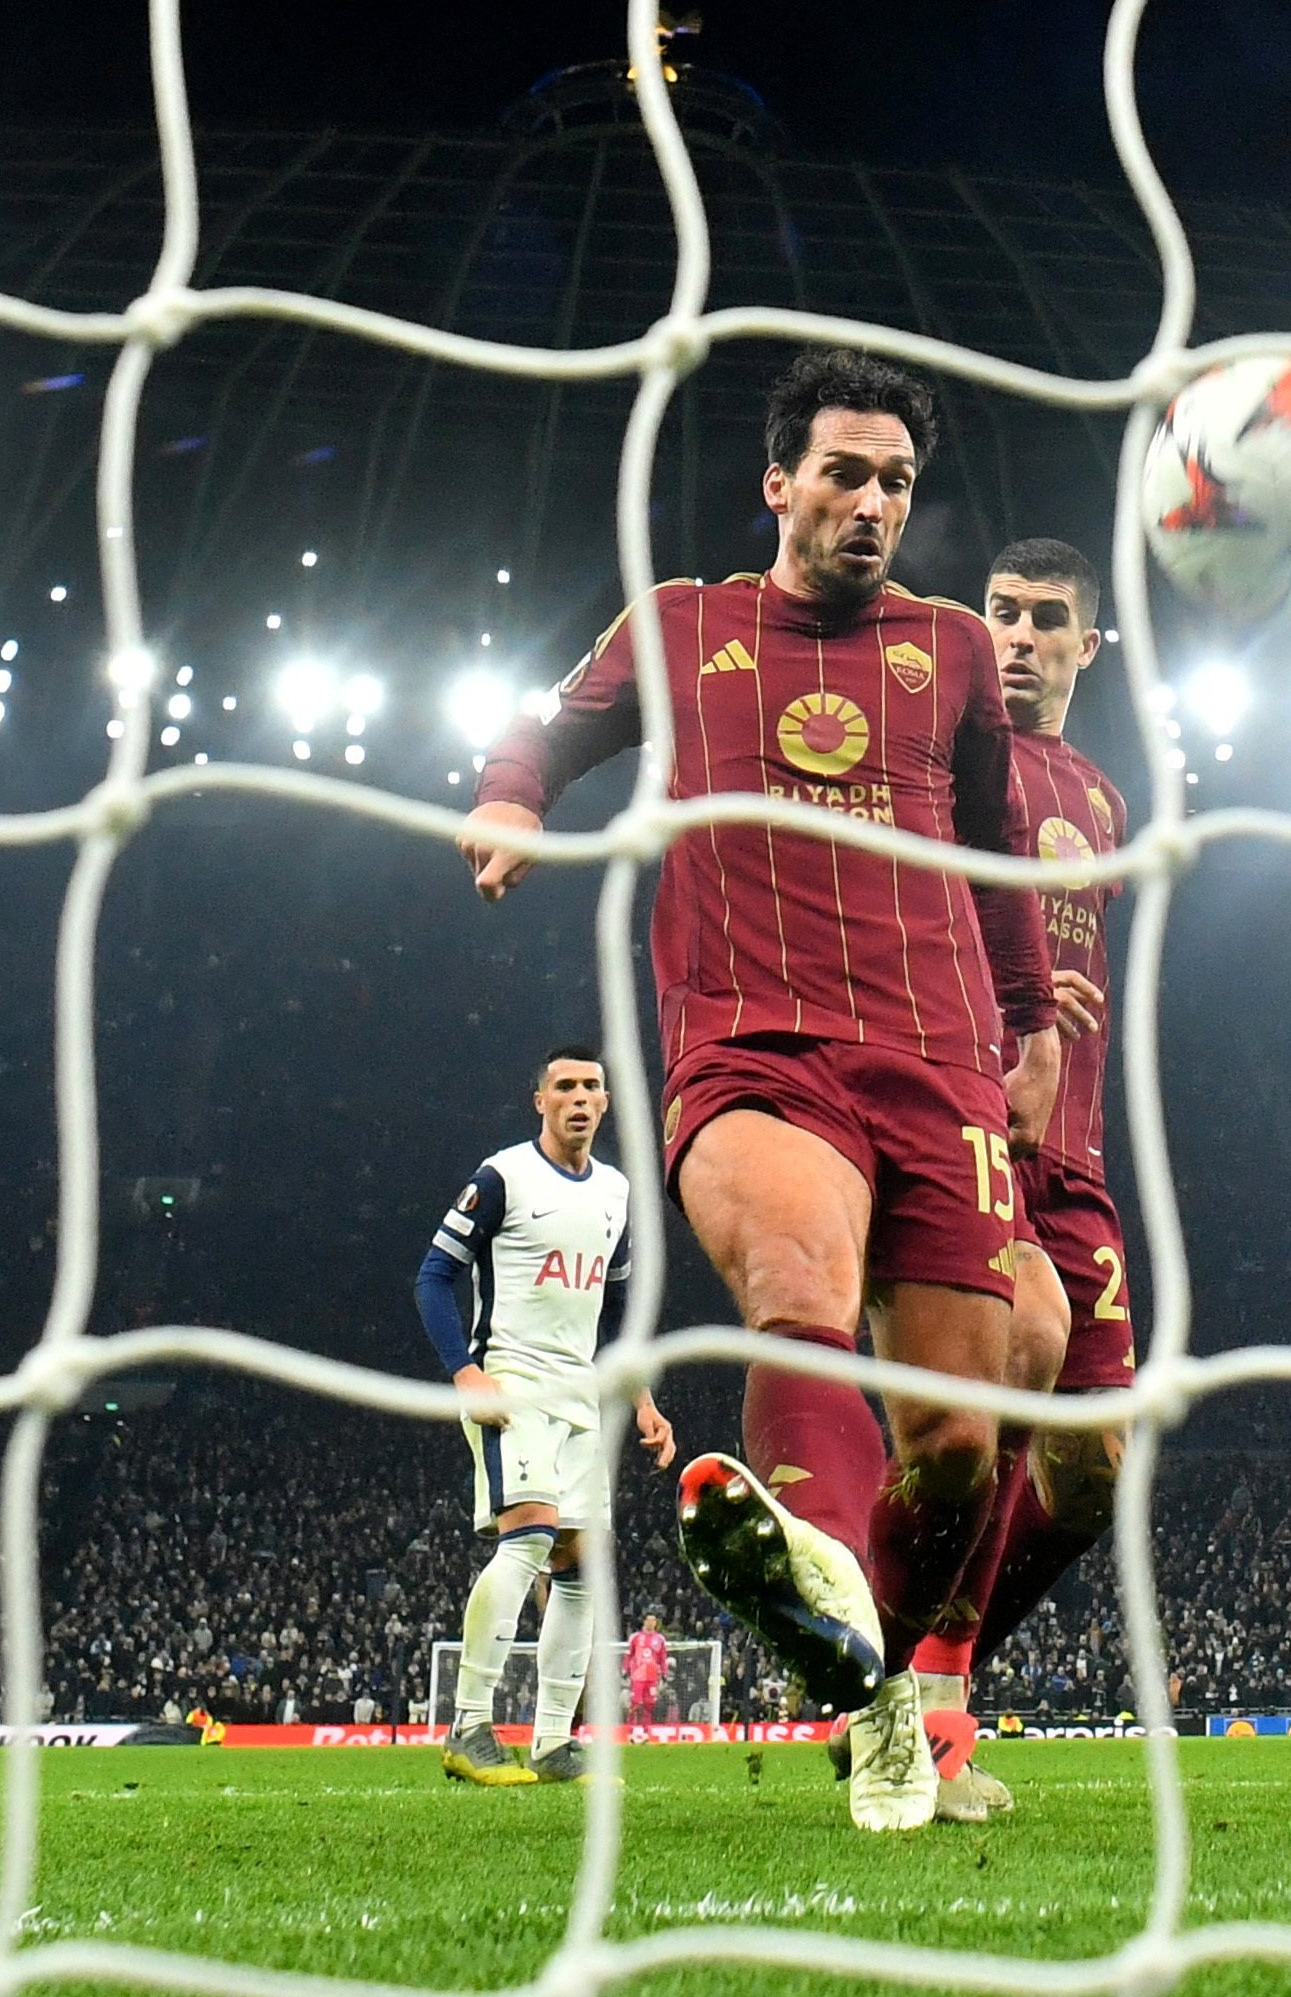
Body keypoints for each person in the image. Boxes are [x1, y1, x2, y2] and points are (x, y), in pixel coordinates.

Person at [457, 347, 1060, 1831]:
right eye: (844, 473)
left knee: (960, 1440)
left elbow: (992, 848)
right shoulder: (682, 623)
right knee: (799, 1269)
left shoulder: (953, 654)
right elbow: (546, 724)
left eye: (897, 482)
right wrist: (508, 793)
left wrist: (1034, 1021)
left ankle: (879, 1694)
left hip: (940, 1062)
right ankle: (827, 1613)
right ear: (777, 482)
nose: (872, 503)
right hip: (756, 1045)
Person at [891, 536, 1134, 1824]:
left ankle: (930, 1664)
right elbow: (887, 910)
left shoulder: (1100, 798)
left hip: (1075, 1154)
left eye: (1048, 619)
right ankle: (927, 1708)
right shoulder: (933, 752)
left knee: (1094, 1464)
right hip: (969, 1131)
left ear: (1088, 645)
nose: (1021, 635)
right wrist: (999, 1003)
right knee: (995, 1396)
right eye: (1002, 613)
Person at [415, 1046, 676, 1788]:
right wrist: (466, 1373)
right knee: (528, 1537)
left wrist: (642, 1397)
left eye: (593, 1086)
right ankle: (469, 1726)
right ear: (540, 1100)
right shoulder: (503, 1177)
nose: (581, 1097)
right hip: (514, 1380)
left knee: (582, 1564)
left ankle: (555, 1741)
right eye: (566, 1086)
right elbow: (434, 1276)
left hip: (583, 1393)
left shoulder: (618, 1192)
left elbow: (618, 1307)